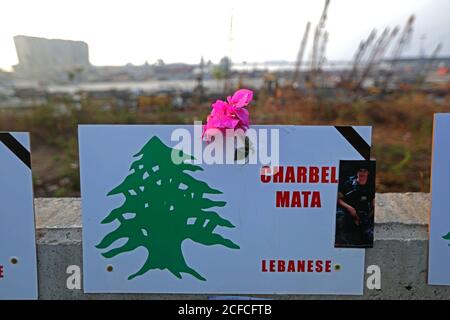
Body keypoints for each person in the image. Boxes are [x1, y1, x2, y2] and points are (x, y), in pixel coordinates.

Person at [336, 165, 375, 247]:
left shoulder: (371, 187)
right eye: (360, 170)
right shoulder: (348, 184)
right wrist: (349, 208)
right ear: (357, 173)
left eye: (365, 171)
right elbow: (338, 199)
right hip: (347, 212)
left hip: (363, 215)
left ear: (368, 173)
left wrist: (369, 215)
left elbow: (374, 203)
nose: (362, 173)